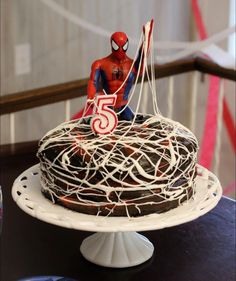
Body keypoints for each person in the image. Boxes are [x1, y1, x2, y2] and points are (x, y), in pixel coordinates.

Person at [72, 20, 153, 121]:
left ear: (127, 45)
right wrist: (91, 97)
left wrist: (147, 38)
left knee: (133, 126)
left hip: (123, 106)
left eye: (123, 46)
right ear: (111, 45)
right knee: (97, 128)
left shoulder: (132, 65)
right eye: (116, 46)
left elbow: (143, 56)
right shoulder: (100, 64)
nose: (120, 50)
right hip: (106, 106)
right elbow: (93, 82)